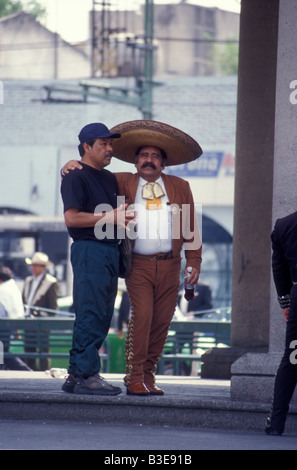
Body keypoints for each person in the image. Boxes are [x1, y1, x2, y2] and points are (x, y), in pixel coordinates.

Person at [62, 119, 203, 396]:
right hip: (136, 264)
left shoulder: (180, 186)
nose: (149, 161)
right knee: (142, 317)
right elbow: (86, 172)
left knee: (162, 321)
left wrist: (194, 261)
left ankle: (148, 375)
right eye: (143, 156)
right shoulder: (120, 180)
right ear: (135, 162)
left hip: (170, 265)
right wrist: (68, 164)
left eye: (155, 157)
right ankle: (133, 376)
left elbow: (190, 226)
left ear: (164, 163)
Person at [60, 122, 136, 396]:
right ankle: (86, 374)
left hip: (108, 250)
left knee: (102, 314)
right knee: (90, 312)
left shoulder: (107, 177)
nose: (110, 149)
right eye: (103, 144)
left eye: (110, 143)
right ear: (86, 147)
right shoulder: (75, 176)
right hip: (89, 248)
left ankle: (76, 372)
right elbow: (71, 218)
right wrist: (110, 217)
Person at [265, 211, 297, 436]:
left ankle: (276, 422)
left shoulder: (284, 225)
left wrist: (285, 300)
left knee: (293, 356)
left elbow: (279, 267)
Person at [22, 252, 59, 370]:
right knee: (29, 349)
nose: (33, 268)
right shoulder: (28, 281)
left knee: (43, 350)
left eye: (36, 265)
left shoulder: (51, 282)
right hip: (28, 321)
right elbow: (23, 300)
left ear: (43, 267)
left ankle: (43, 373)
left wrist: (48, 322)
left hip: (42, 322)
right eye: (32, 265)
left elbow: (53, 306)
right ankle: (29, 372)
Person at [0, 266, 29, 370]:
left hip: (3, 328)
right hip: (9, 327)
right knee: (4, 353)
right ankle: (25, 370)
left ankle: (25, 370)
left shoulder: (2, 290)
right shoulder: (13, 288)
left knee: (3, 353)